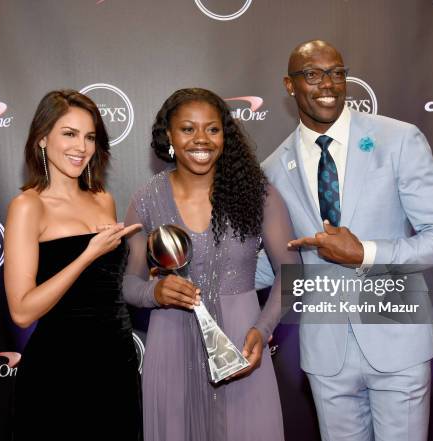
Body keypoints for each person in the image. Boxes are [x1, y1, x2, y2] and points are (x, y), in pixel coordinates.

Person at [256, 40, 433, 441]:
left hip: (398, 342)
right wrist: (207, 274)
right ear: (289, 85)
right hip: (325, 352)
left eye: (337, 72)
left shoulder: (398, 139)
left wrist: (365, 253)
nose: (328, 84)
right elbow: (277, 264)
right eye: (313, 74)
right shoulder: (273, 169)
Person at [122, 88, 300, 441]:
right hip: (171, 351)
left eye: (212, 129)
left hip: (242, 348)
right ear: (168, 136)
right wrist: (155, 291)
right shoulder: (146, 199)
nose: (201, 139)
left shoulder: (257, 194)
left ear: (225, 136)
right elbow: (128, 283)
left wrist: (261, 331)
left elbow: (293, 272)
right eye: (188, 129)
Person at [3, 89, 142, 439]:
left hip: (116, 365)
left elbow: (107, 285)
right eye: (69, 133)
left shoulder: (103, 200)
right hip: (60, 370)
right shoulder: (28, 206)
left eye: (90, 136)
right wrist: (87, 254)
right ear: (42, 140)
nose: (81, 147)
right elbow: (21, 311)